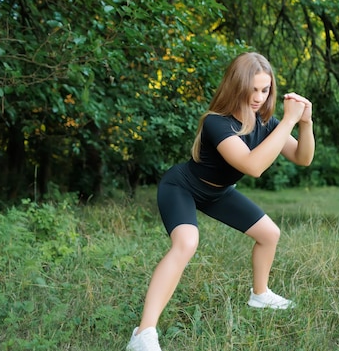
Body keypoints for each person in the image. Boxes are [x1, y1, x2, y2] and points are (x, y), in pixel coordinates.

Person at [126, 52, 315, 351]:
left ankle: (260, 295)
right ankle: (143, 334)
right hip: (183, 187)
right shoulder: (217, 122)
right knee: (186, 243)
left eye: (264, 90)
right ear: (235, 85)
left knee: (269, 234)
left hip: (218, 192)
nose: (258, 97)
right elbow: (252, 166)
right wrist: (288, 121)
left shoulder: (267, 122)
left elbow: (302, 158)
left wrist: (304, 123)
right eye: (252, 89)